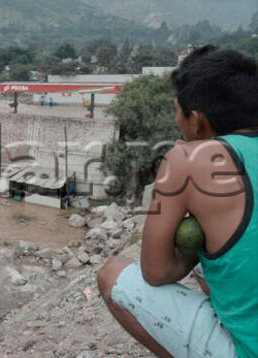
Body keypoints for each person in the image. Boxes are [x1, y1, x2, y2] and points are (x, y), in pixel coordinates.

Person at [96, 45, 258, 358]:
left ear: (197, 121)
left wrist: (190, 250)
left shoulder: (188, 158)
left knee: (112, 274)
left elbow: (157, 272)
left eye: (176, 111)